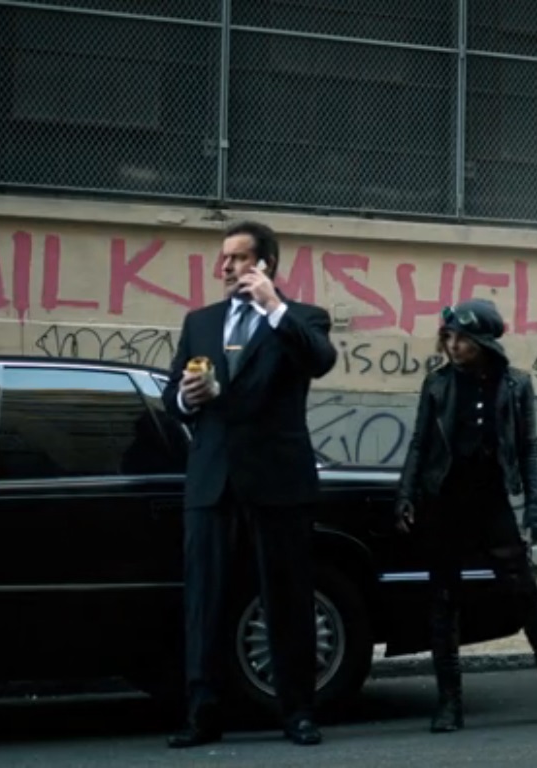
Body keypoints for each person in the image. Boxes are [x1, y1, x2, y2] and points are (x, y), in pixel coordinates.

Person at [161, 220, 337, 748]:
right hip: (211, 480)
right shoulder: (201, 322)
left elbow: (321, 360)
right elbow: (171, 395)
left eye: (237, 257)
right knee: (205, 600)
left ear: (265, 264)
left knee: (287, 599)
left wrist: (273, 306)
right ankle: (203, 714)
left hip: (277, 480)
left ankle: (298, 712)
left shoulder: (302, 318)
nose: (225, 267)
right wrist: (187, 397)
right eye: (223, 258)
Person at [395, 298, 537, 732]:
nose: (454, 347)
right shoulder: (437, 384)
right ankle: (449, 704)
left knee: (526, 595)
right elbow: (420, 442)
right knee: (444, 602)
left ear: (484, 343)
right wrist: (406, 494)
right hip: (443, 502)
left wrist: (535, 508)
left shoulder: (515, 385)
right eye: (450, 338)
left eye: (463, 340)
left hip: (492, 503)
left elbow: (528, 448)